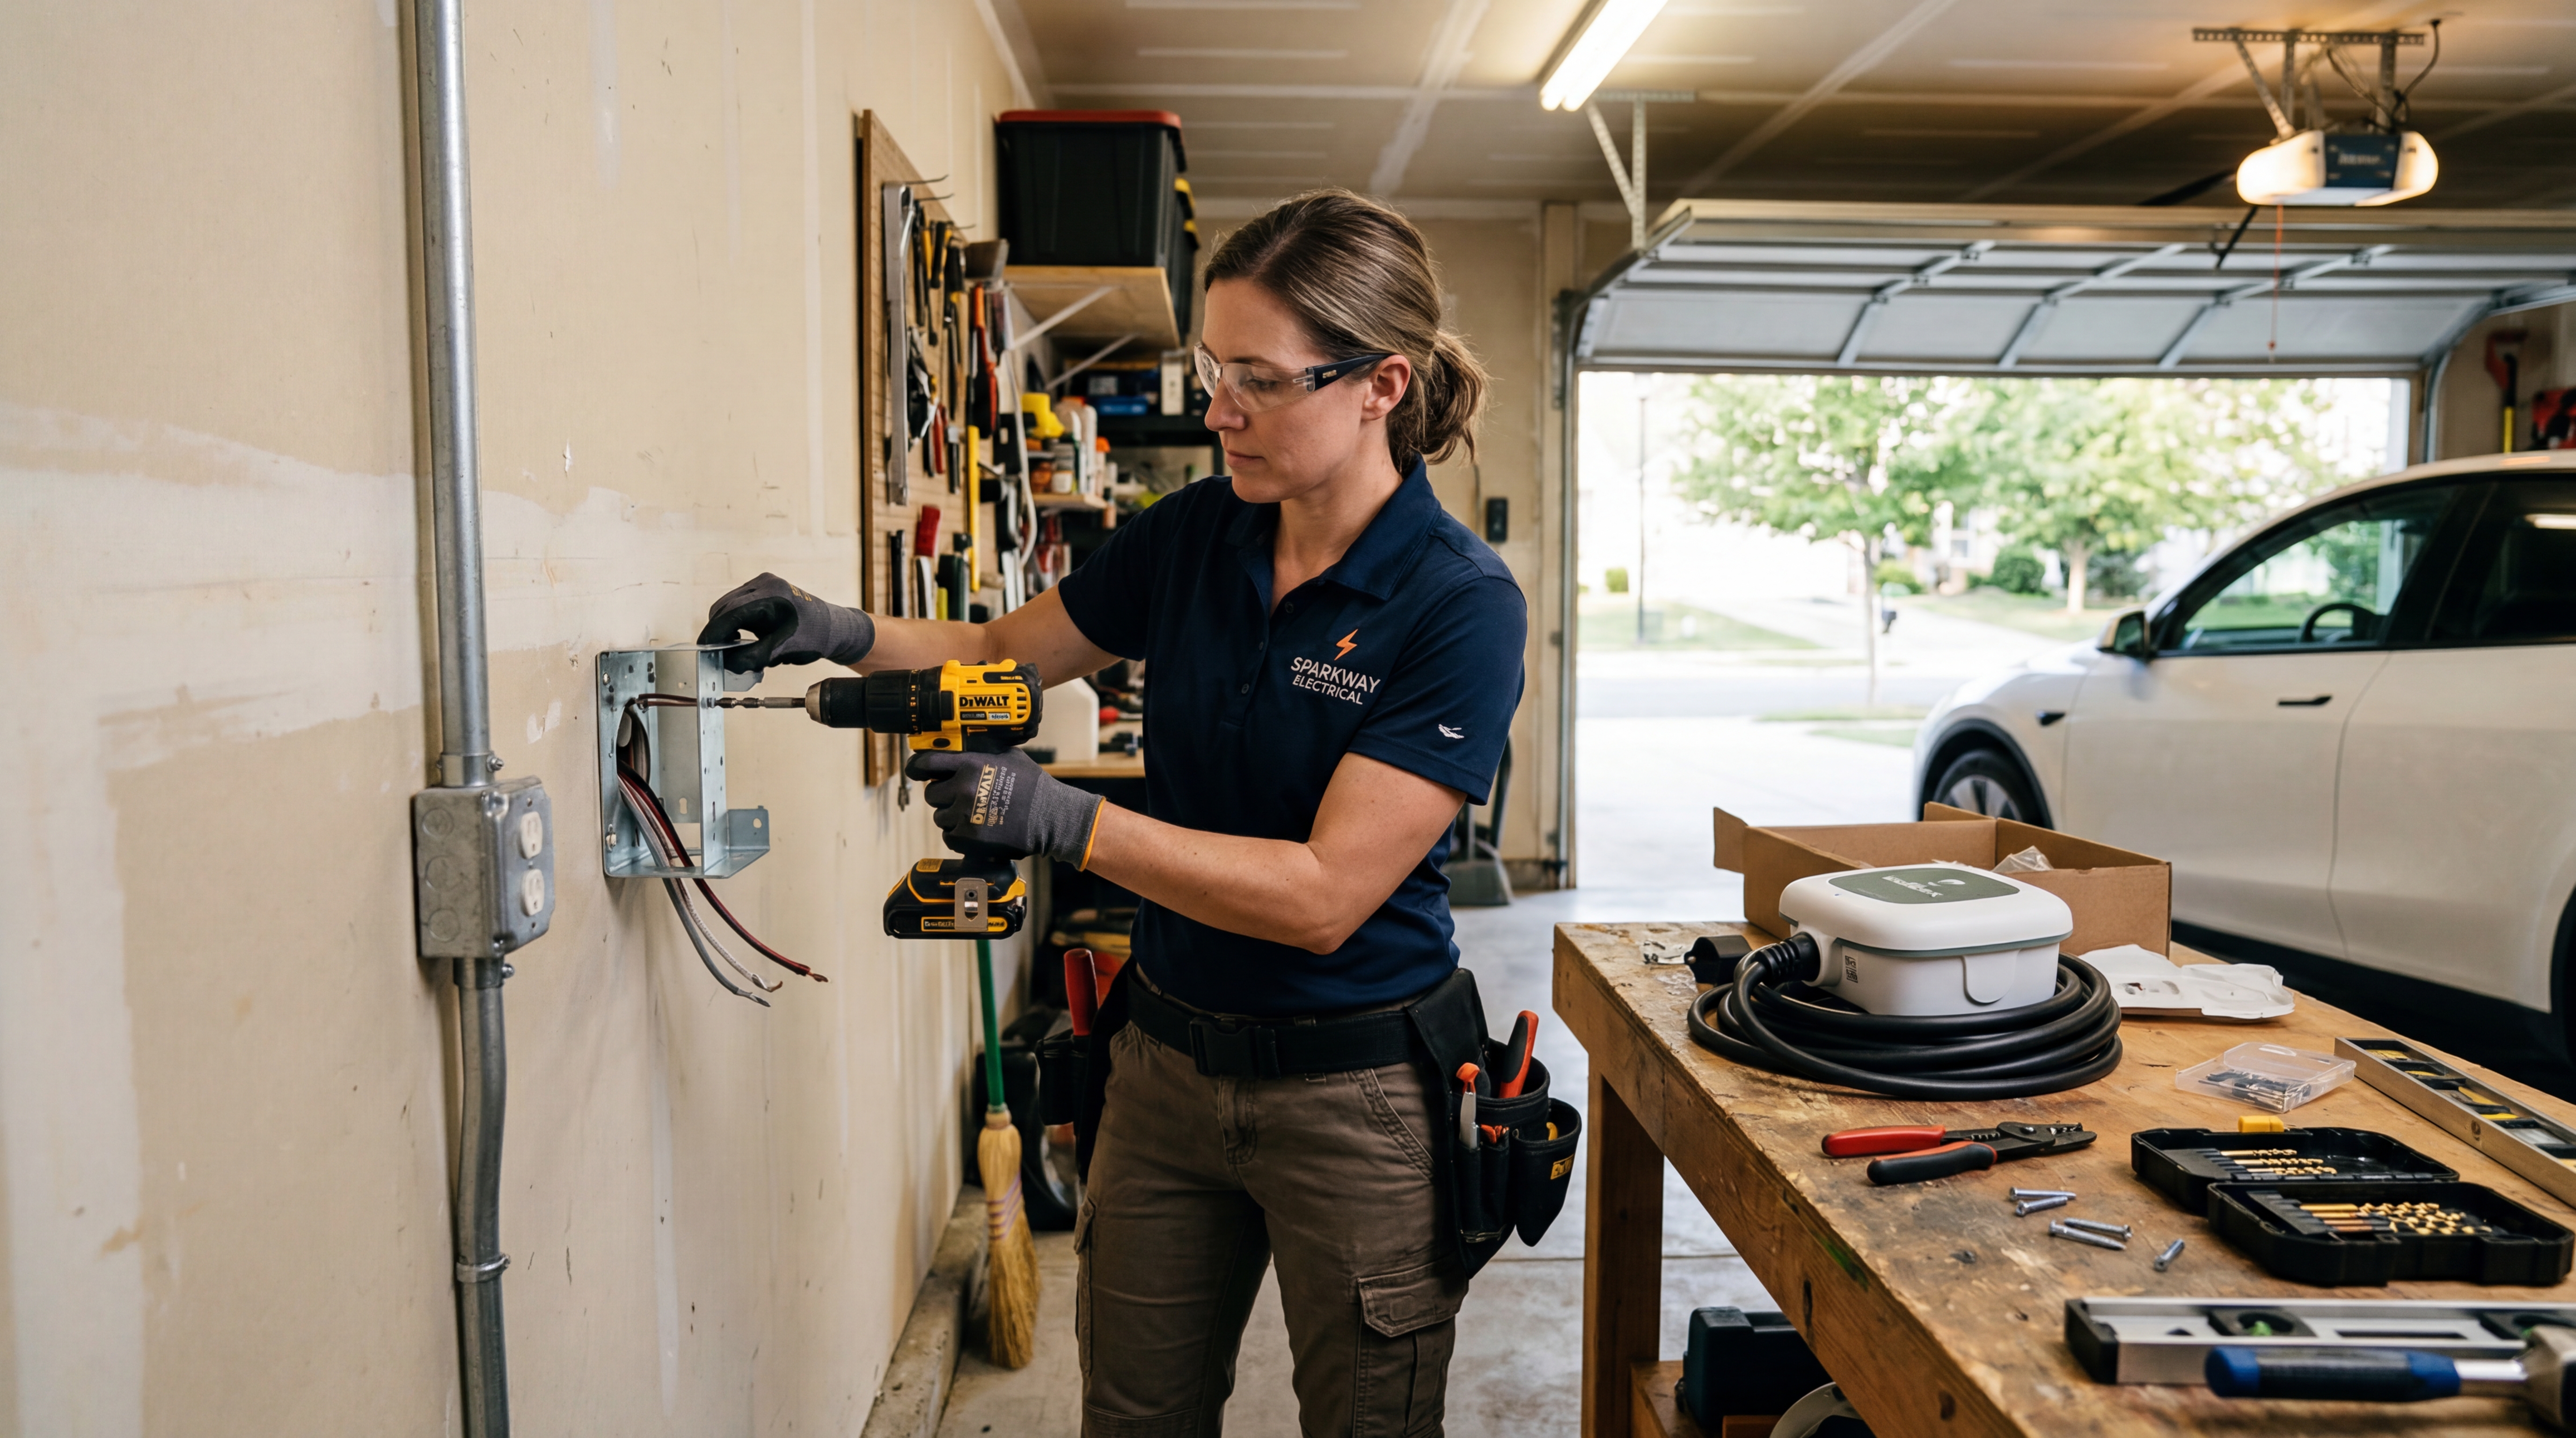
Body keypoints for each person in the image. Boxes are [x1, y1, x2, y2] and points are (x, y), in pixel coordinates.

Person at [701, 189, 1525, 1437]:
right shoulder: (1195, 533)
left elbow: (1322, 898)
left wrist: (1067, 822)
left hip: (1353, 1096)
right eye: (1211, 368)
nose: (1218, 409)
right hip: (1164, 1071)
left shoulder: (1458, 603)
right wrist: (837, 631)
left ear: (1380, 385)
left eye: (1259, 377)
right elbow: (996, 648)